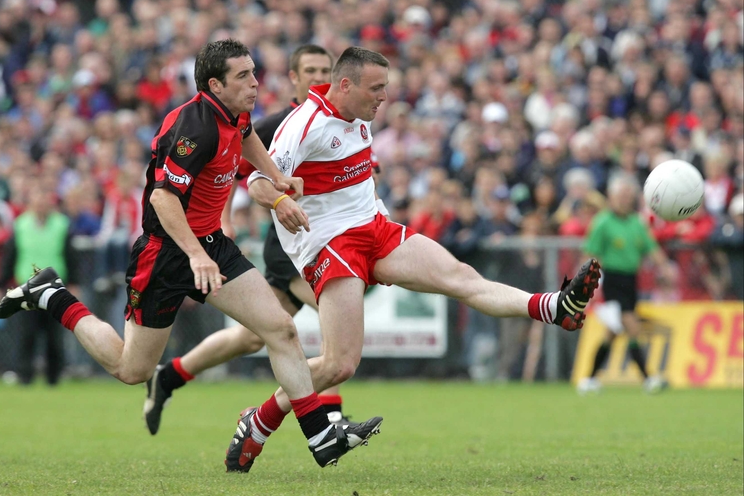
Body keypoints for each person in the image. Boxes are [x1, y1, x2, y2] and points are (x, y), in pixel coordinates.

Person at [0, 39, 382, 471]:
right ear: (215, 85)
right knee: (131, 369)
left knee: (281, 330)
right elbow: (162, 199)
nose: (255, 83)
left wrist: (276, 176)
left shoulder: (235, 111)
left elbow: (247, 136)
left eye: (253, 73)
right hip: (165, 254)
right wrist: (196, 256)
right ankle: (51, 295)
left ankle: (320, 435)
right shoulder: (194, 128)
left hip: (211, 243)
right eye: (243, 76)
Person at [232, 46, 602, 472]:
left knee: (461, 277)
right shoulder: (304, 123)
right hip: (332, 246)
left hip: (375, 229)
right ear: (345, 85)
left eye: (385, 87)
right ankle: (257, 422)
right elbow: (257, 181)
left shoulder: (360, 115)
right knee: (339, 365)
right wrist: (280, 200)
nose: (383, 97)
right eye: (376, 88)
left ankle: (555, 307)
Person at [143, 44, 374, 435]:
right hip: (296, 244)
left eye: (326, 70)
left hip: (328, 238)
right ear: (294, 78)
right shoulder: (276, 123)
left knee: (252, 338)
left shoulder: (345, 121)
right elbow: (231, 172)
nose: (320, 78)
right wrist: (225, 219)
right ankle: (329, 414)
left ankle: (170, 375)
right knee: (336, 313)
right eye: (311, 71)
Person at [576, 174, 673, 394]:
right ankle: (648, 378)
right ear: (611, 197)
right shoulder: (603, 222)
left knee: (612, 332)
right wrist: (589, 283)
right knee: (632, 326)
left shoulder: (637, 223)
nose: (624, 200)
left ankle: (588, 379)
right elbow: (590, 253)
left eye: (628, 196)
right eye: (621, 195)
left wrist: (666, 267)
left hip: (630, 281)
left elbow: (651, 248)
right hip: (612, 280)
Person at [0, 185, 74, 385]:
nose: (41, 204)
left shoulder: (61, 224)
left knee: (54, 336)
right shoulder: (21, 225)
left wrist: (74, 282)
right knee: (26, 334)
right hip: (27, 287)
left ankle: (54, 377)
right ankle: (24, 375)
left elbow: (70, 256)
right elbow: (10, 256)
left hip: (55, 288)